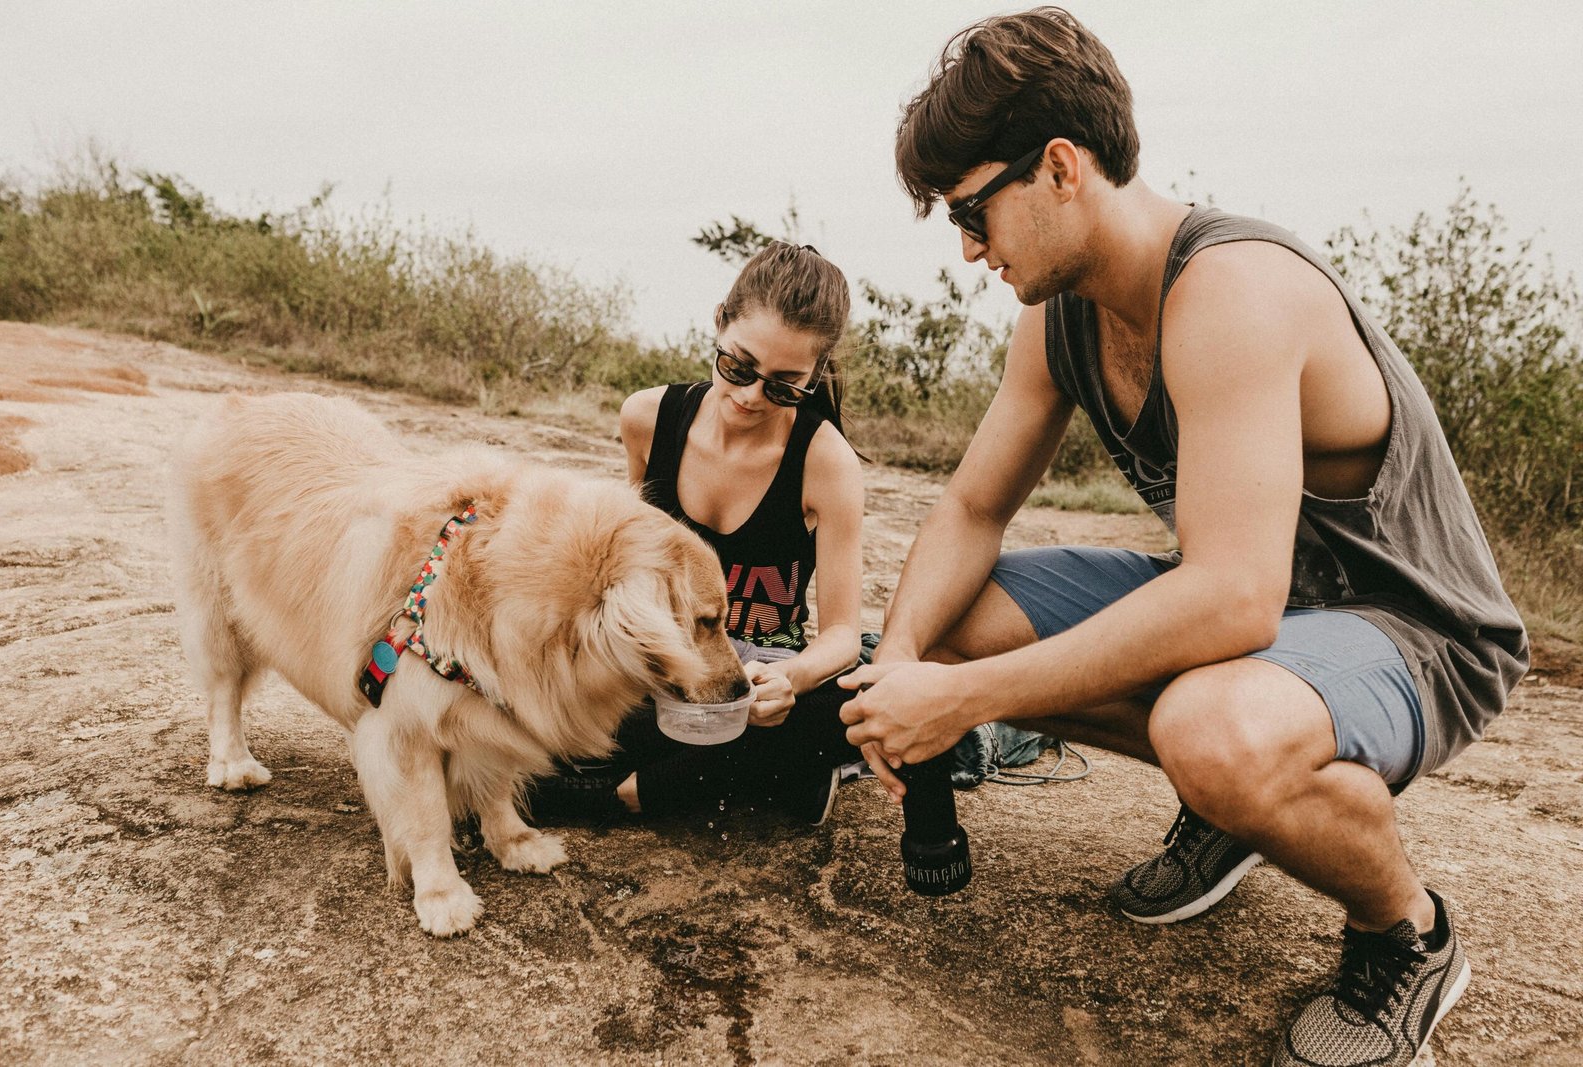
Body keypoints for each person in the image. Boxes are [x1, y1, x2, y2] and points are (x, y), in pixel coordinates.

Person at [837, 9, 1527, 1066]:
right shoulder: (1059, 314)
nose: (969, 248)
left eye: (972, 211)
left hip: (1413, 630)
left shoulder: (1232, 287)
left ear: (1059, 167)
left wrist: (963, 702)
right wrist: (898, 669)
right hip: (1271, 621)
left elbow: (1231, 599)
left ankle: (1407, 933)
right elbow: (973, 508)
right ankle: (1233, 810)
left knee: (1212, 730)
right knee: (950, 618)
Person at [529, 240, 867, 825]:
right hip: (663, 660)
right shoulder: (647, 418)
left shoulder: (826, 462)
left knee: (852, 707)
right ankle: (765, 782)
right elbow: (618, 571)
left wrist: (790, 678)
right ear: (719, 322)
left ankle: (618, 797)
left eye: (785, 386)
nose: (749, 396)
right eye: (738, 366)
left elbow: (841, 634)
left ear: (815, 374)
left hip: (759, 674)